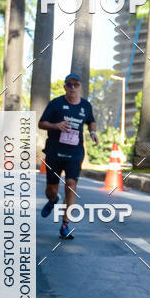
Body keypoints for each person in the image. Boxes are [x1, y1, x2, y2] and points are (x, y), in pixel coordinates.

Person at [38, 73, 98, 239]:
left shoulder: (86, 106)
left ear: (80, 87)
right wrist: (56, 125)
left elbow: (91, 120)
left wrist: (92, 131)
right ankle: (52, 200)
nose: (72, 88)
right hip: (54, 152)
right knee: (52, 189)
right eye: (69, 85)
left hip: (75, 153)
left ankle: (65, 224)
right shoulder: (56, 103)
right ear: (65, 87)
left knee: (71, 185)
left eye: (76, 85)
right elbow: (41, 123)